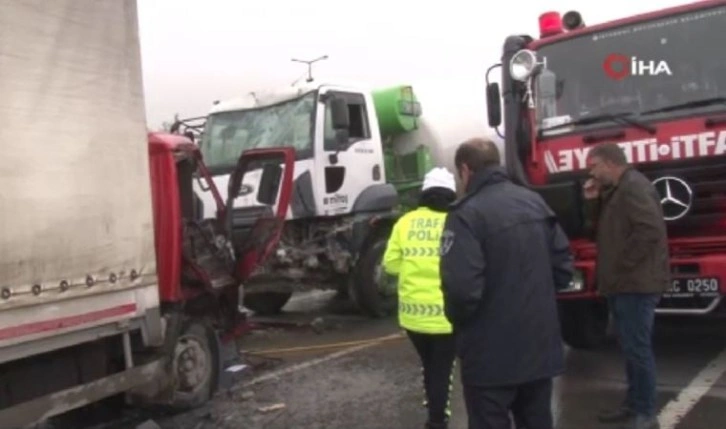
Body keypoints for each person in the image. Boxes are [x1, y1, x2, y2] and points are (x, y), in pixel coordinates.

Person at [439, 138, 573, 429]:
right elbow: (563, 270)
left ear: (465, 170)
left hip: (489, 357)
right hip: (539, 349)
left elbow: (462, 290)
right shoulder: (535, 202)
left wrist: (459, 326)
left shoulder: (466, 215)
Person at [584, 142, 669, 429]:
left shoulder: (634, 187)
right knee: (630, 348)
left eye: (593, 167)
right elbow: (596, 230)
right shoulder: (615, 190)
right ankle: (633, 404)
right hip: (622, 284)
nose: (591, 174)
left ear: (609, 163)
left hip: (636, 284)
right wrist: (593, 199)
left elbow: (650, 230)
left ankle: (646, 412)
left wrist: (623, 264)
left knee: (638, 348)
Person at [383, 167, 459, 429]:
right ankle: (437, 420)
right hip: (445, 316)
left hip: (413, 316)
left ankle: (434, 409)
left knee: (429, 365)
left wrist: (413, 267)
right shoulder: (456, 221)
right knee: (441, 370)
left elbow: (390, 265)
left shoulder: (405, 222)